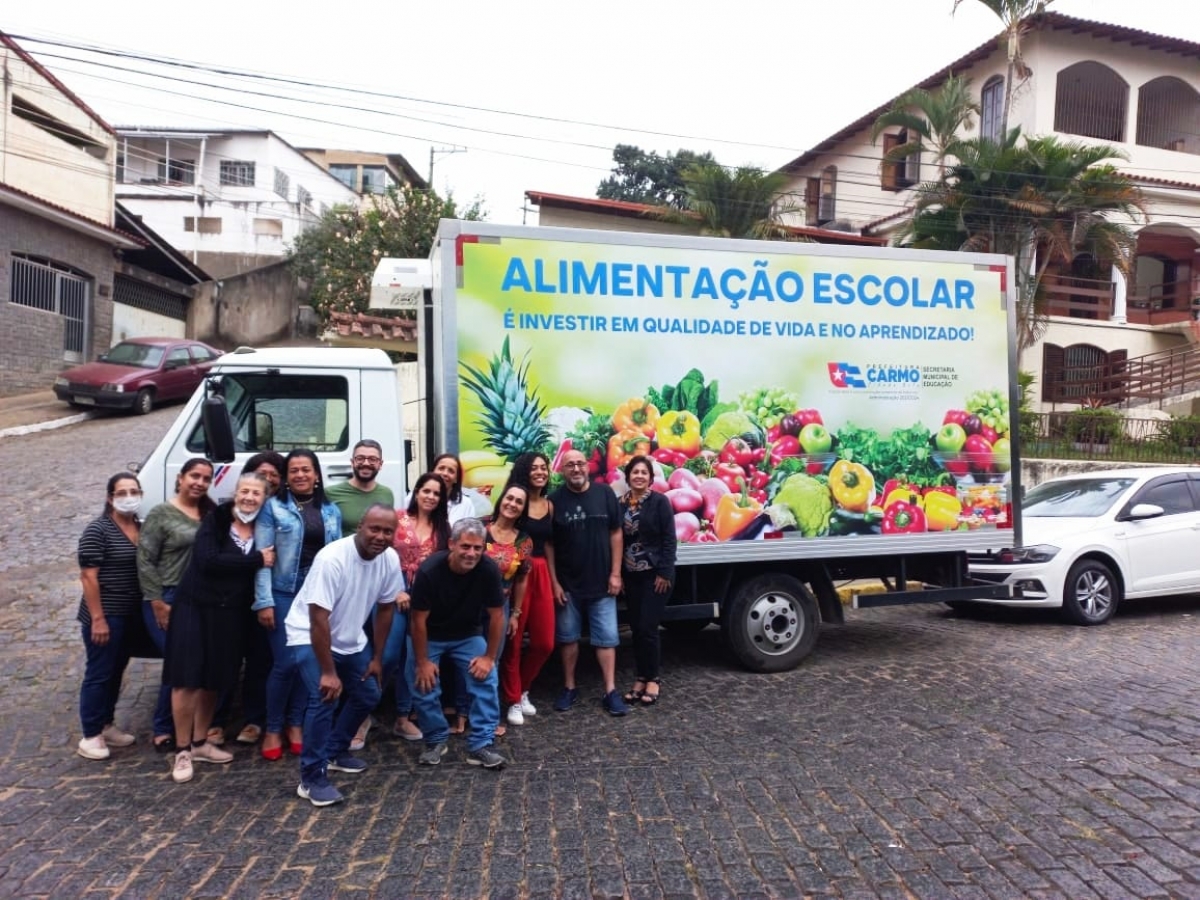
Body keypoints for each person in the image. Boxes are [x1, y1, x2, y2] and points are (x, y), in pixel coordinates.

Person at [284, 505, 403, 807]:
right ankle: (311, 779)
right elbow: (317, 618)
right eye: (374, 528)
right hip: (309, 635)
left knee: (367, 694)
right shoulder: (332, 558)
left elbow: (386, 607)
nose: (380, 536)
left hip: (350, 639)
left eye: (388, 531)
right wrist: (328, 671)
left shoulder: (389, 559)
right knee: (325, 697)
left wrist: (377, 658)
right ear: (360, 526)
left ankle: (336, 751)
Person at [164, 473, 275, 784]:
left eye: (256, 493)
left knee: (215, 678)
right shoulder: (216, 519)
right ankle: (183, 749)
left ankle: (201, 742)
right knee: (186, 679)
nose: (249, 497)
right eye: (244, 491)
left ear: (264, 498)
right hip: (195, 607)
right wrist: (256, 559)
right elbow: (208, 560)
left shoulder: (263, 528)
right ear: (234, 493)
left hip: (229, 613)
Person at [253, 450, 342, 761]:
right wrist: (264, 601)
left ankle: (295, 724)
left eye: (306, 469)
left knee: (310, 659)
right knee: (285, 662)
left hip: (317, 594)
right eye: (294, 470)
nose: (301, 475)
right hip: (283, 591)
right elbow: (263, 557)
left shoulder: (331, 511)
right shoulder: (272, 508)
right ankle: (274, 727)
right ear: (287, 477)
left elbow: (337, 559)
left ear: (317, 474)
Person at [409, 518, 508, 769]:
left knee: (485, 678)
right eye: (465, 546)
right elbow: (418, 620)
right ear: (452, 544)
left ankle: (481, 744)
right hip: (430, 634)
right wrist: (422, 662)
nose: (471, 553)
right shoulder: (430, 570)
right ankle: (435, 739)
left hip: (467, 633)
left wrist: (489, 657)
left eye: (477, 548)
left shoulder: (488, 570)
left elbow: (497, 616)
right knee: (424, 683)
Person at [137, 457, 216, 752]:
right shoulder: (161, 513)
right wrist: (156, 601)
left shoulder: (208, 513)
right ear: (180, 478)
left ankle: (183, 727)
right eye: (194, 476)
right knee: (178, 663)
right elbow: (145, 559)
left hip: (198, 599)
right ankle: (162, 728)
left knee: (186, 664)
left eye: (206, 478)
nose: (199, 483)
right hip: (167, 597)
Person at [213, 450, 286, 745]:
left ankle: (255, 719)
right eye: (260, 474)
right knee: (225, 660)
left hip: (262, 597)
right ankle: (216, 720)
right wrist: (256, 560)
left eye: (272, 476)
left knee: (259, 661)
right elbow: (211, 559)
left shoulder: (282, 513)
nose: (266, 480)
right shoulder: (224, 515)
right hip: (227, 600)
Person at [549, 449, 629, 716]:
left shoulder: (605, 494)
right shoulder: (554, 500)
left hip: (602, 583)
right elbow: (548, 544)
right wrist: (554, 582)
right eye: (570, 464)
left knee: (607, 640)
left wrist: (615, 573)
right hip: (568, 584)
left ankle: (610, 691)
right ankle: (569, 687)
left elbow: (616, 533)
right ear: (563, 470)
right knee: (568, 639)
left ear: (588, 467)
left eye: (580, 463)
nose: (576, 469)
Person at [76, 472, 143, 760]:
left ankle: (106, 723)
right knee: (99, 673)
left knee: (116, 670)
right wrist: (98, 618)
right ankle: (90, 735)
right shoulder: (98, 530)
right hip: (105, 614)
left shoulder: (140, 527)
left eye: (133, 491)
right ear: (110, 497)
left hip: (130, 614)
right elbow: (89, 577)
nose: (128, 496)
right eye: (122, 492)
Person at [382, 472, 451, 742]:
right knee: (387, 655)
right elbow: (379, 555)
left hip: (423, 599)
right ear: (417, 492)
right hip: (393, 592)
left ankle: (402, 716)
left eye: (436, 493)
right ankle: (363, 712)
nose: (431, 496)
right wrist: (394, 589)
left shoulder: (444, 529)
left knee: (412, 659)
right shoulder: (398, 518)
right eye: (426, 491)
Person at [498, 452, 556, 728]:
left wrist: (555, 582)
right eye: (534, 468)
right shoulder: (514, 501)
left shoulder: (549, 505)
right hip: (519, 570)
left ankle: (523, 690)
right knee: (513, 641)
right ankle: (512, 700)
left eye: (544, 468)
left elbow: (550, 546)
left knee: (545, 642)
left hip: (542, 573)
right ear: (524, 471)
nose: (540, 472)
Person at [618, 456, 676, 707]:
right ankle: (641, 677)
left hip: (655, 575)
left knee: (648, 627)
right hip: (631, 575)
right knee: (637, 629)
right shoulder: (619, 505)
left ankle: (653, 679)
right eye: (635, 472)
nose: (639, 476)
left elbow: (669, 540)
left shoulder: (660, 502)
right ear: (628, 477)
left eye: (644, 472)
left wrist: (664, 572)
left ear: (650, 478)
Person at [484, 483, 533, 732]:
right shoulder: (481, 528)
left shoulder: (524, 542)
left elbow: (522, 579)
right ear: (501, 499)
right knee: (466, 658)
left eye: (519, 502)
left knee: (493, 659)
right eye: (509, 498)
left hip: (500, 609)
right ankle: (464, 713)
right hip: (471, 607)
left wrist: (515, 613)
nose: (512, 504)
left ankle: (489, 717)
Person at [325, 440, 394, 537]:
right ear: (352, 462)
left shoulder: (387, 494)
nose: (366, 463)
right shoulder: (330, 493)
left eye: (372, 459)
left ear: (380, 464)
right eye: (360, 458)